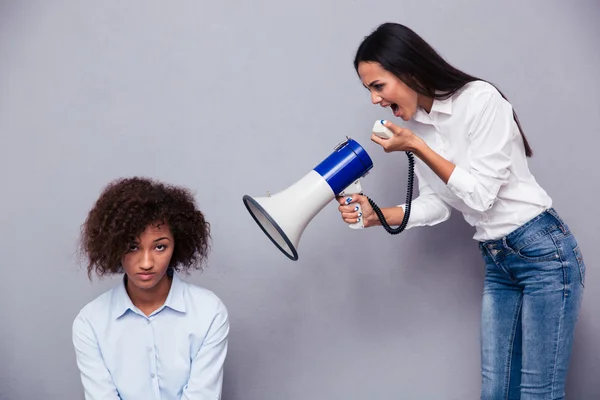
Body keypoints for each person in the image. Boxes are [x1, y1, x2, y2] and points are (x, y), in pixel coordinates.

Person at [337, 22, 586, 400]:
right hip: (498, 260)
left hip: (543, 253)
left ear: (407, 71)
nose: (375, 100)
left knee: (538, 393)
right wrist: (376, 215)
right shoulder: (420, 128)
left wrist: (418, 147)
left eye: (378, 86)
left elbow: (482, 195)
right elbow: (437, 203)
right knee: (495, 391)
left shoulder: (480, 100)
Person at [72, 176, 229, 400]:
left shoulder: (209, 312)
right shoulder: (90, 322)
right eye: (133, 247)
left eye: (160, 246)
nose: (146, 262)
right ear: (113, 246)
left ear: (177, 245)